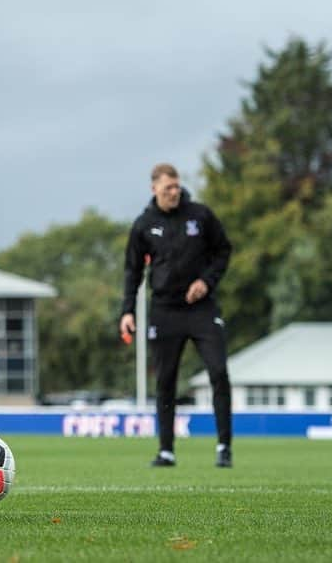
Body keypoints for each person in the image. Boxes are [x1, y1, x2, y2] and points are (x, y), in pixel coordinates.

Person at [119, 163, 233, 468]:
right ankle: (166, 450)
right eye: (168, 187)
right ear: (154, 188)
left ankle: (224, 447)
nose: (174, 192)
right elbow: (133, 271)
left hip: (202, 309)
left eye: (177, 186)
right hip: (165, 310)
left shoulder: (200, 215)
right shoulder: (143, 224)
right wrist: (127, 311)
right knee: (166, 381)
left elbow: (223, 251)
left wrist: (206, 282)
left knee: (219, 372)